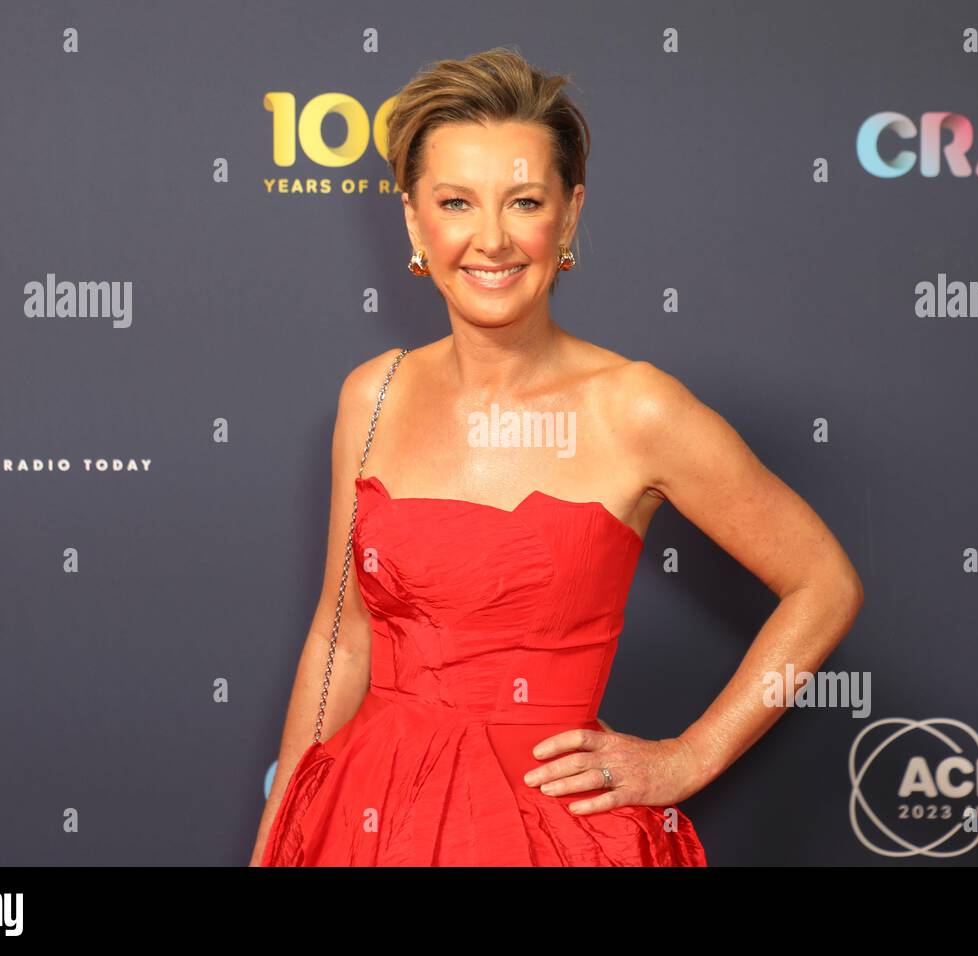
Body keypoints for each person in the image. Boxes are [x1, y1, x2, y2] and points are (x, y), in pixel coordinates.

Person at [249, 46, 863, 866]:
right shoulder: (374, 394)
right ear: (413, 220)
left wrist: (688, 756)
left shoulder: (637, 407)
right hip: (365, 822)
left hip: (549, 836)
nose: (491, 239)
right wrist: (282, 833)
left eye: (525, 201)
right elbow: (342, 635)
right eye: (456, 202)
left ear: (568, 216)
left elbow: (823, 584)